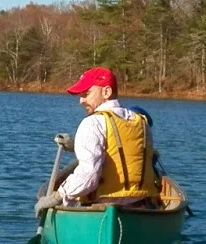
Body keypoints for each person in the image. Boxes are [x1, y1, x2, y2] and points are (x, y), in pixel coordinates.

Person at [35, 67, 161, 213]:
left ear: (106, 92)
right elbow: (120, 150)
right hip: (141, 206)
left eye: (86, 94)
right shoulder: (141, 121)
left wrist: (58, 196)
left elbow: (89, 175)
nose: (81, 100)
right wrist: (76, 146)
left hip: (102, 208)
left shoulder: (92, 123)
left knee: (68, 190)